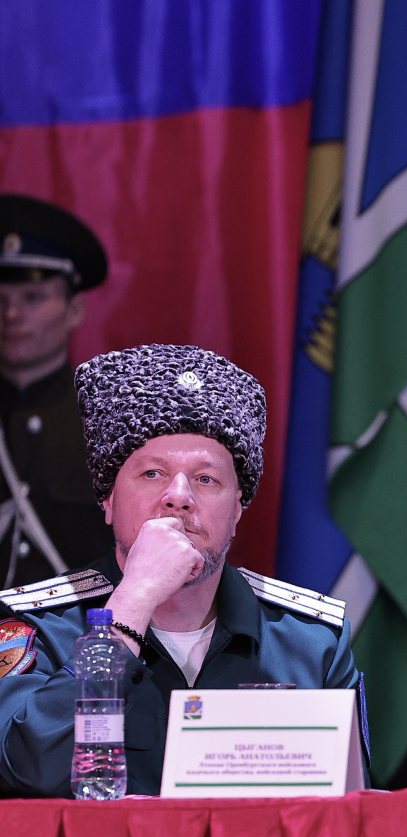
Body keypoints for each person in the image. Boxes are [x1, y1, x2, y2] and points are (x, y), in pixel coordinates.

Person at [0, 344, 356, 797]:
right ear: (108, 500)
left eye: (206, 479)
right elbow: (24, 771)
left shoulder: (312, 641)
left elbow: (348, 815)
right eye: (152, 473)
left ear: (237, 511)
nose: (179, 497)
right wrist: (133, 603)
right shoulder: (40, 629)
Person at [0, 194, 115, 586]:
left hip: (79, 625)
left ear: (75, 310)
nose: (11, 315)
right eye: (1, 299)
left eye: (32, 298)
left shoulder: (108, 423)